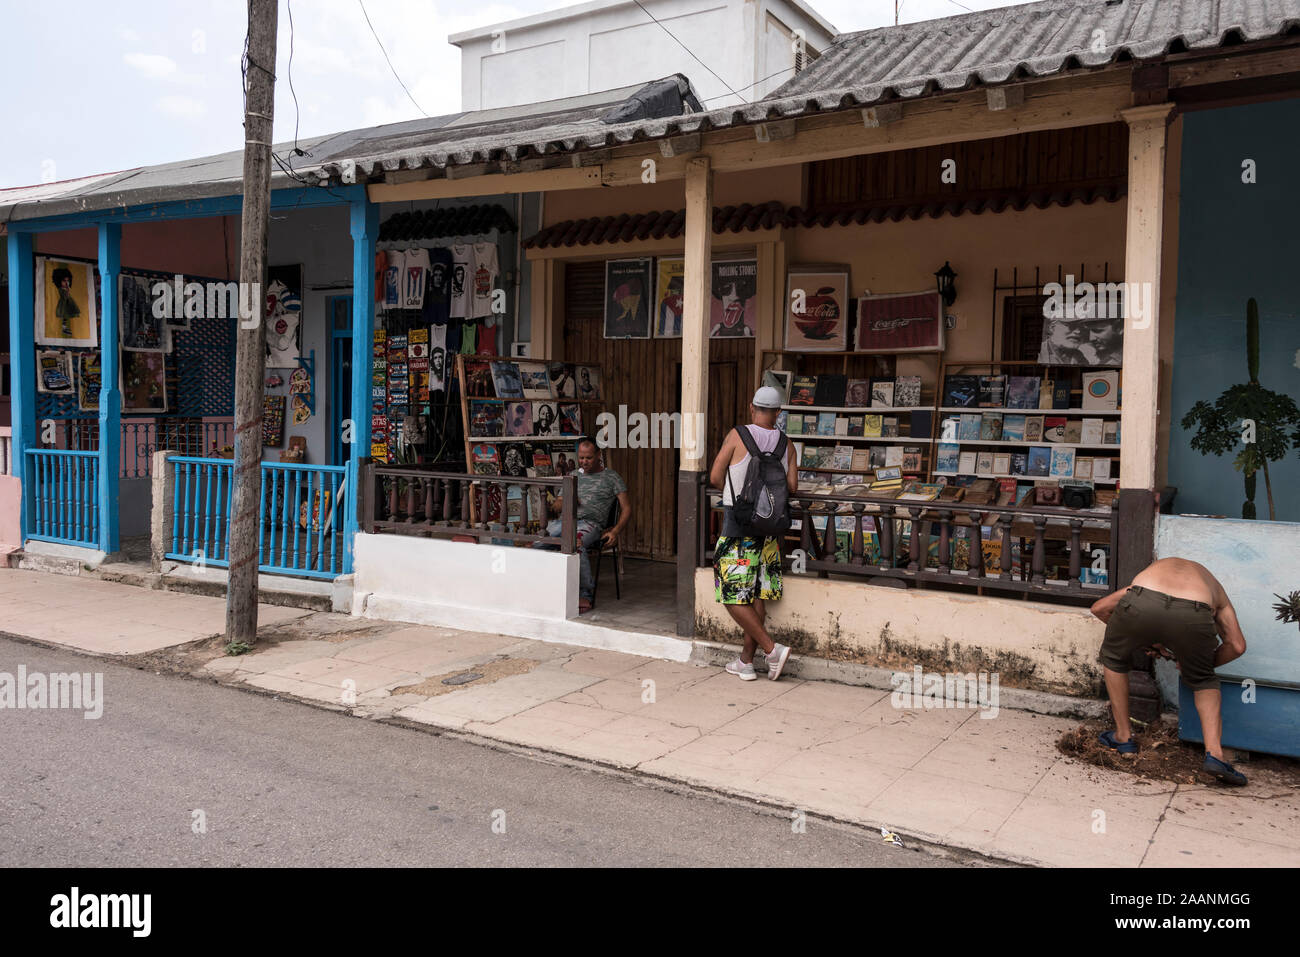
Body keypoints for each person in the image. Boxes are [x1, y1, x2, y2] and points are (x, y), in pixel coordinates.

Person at [1089, 557, 1249, 785]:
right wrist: (1196, 664)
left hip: (1143, 600)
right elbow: (1237, 645)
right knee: (1204, 680)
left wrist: (1142, 642)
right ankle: (1215, 755)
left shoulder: (1148, 577)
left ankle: (1123, 737)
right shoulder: (1214, 588)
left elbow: (1099, 608)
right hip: (1195, 611)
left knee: (1114, 657)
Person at [708, 386, 796, 681]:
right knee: (756, 593)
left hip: (738, 527)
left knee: (732, 595)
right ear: (778, 413)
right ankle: (746, 661)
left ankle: (772, 650)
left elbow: (715, 476)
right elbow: (792, 487)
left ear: (751, 407)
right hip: (770, 531)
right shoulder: (787, 444)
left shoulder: (737, 435)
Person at [545, 439, 631, 613]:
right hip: (564, 522)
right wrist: (563, 503)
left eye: (589, 458)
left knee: (576, 544)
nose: (584, 462)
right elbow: (557, 505)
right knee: (538, 541)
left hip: (591, 524)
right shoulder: (574, 476)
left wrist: (615, 531)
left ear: (599, 455)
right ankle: (541, 587)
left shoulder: (612, 477)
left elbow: (627, 508)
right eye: (581, 458)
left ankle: (585, 592)